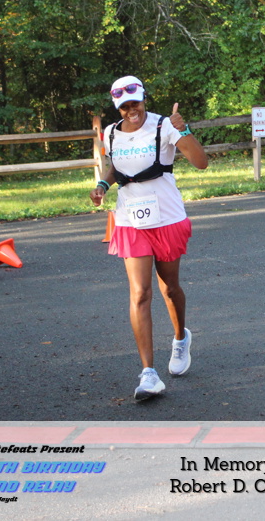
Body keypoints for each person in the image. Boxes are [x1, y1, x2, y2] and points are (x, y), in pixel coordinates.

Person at [90, 76, 209, 401]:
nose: (132, 111)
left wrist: (183, 129)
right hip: (130, 221)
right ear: (118, 108)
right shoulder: (111, 133)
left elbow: (201, 163)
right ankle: (148, 374)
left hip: (166, 218)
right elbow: (116, 166)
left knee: (169, 288)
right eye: (124, 107)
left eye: (136, 103)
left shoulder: (163, 125)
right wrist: (102, 186)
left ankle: (180, 338)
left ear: (144, 99)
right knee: (140, 293)